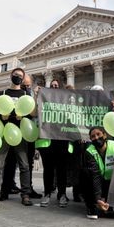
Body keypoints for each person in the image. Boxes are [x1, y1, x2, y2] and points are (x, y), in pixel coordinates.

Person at [0, 68, 32, 207]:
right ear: (11, 76)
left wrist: (23, 116)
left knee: (24, 165)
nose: (18, 77)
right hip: (4, 132)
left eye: (20, 76)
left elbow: (29, 113)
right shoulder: (2, 93)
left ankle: (26, 194)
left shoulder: (25, 94)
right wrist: (1, 116)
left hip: (19, 134)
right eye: (16, 75)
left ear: (23, 79)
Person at [37, 79, 70, 208]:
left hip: (62, 141)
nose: (54, 87)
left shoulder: (65, 101)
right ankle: (47, 193)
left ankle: (62, 194)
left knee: (62, 170)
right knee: (48, 170)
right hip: (48, 141)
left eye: (56, 85)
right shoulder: (43, 100)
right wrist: (36, 95)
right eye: (51, 86)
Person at [81, 126, 114, 219]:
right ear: (90, 139)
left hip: (111, 183)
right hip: (98, 181)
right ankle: (91, 206)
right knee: (85, 174)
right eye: (93, 136)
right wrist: (97, 199)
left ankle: (110, 203)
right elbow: (95, 176)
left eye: (98, 134)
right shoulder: (89, 152)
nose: (96, 138)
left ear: (105, 135)